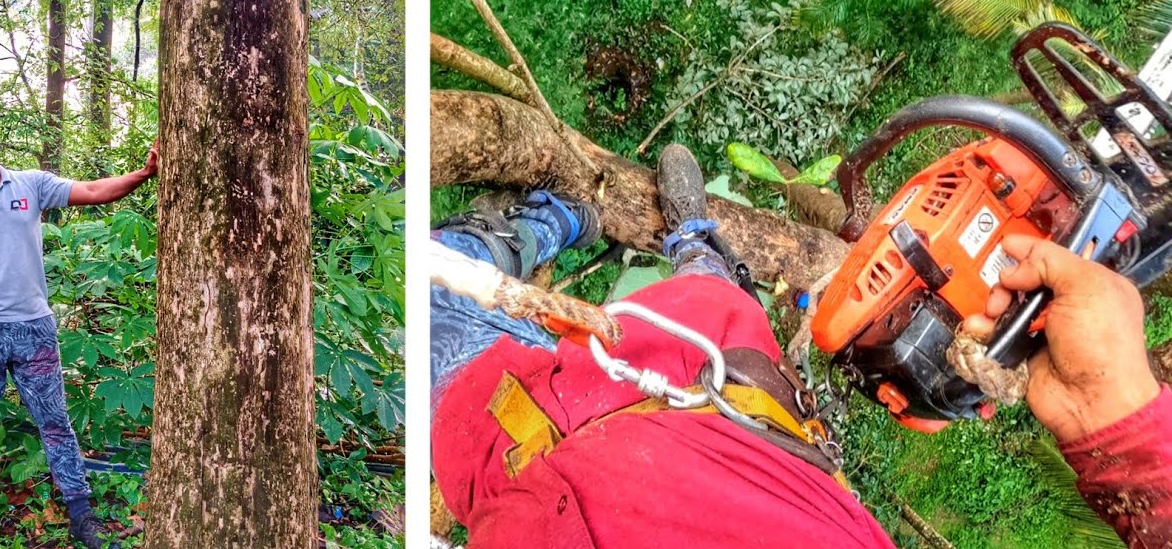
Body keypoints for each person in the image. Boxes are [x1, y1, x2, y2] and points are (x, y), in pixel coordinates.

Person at [430, 144, 1171, 548]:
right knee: (712, 299)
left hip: (519, 448)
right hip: (737, 423)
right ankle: (685, 236)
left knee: (438, 283)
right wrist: (1106, 412)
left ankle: (543, 227)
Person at [0, 118, 158, 549]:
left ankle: (81, 513)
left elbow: (93, 191)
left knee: (55, 421)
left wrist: (144, 173)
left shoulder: (30, 183)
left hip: (34, 327)